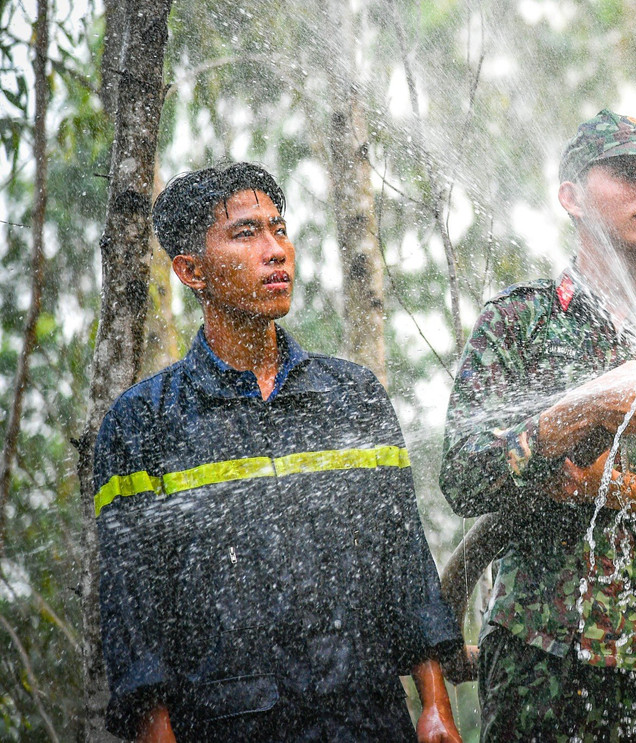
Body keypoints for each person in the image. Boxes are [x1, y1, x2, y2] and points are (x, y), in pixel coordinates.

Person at [94, 163, 462, 743]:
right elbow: (136, 619)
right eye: (246, 234)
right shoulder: (143, 424)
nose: (276, 251)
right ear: (191, 271)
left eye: (280, 229)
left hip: (364, 721)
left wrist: (435, 704)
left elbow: (404, 562)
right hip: (229, 724)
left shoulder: (352, 396)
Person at [439, 110, 636, 742]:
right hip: (540, 660)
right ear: (571, 197)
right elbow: (463, 477)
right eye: (628, 173)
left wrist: (617, 490)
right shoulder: (519, 323)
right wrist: (581, 413)